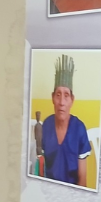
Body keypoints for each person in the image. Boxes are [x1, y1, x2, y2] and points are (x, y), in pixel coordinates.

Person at [41, 54, 92, 187]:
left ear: (72, 100)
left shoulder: (79, 129)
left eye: (66, 95)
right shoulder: (46, 125)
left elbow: (82, 180)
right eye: (58, 95)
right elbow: (41, 168)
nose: (62, 102)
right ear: (52, 98)